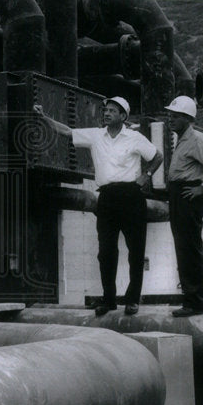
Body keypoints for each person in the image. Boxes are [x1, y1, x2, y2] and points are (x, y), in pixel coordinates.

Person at [34, 96, 162, 316]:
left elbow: (157, 156)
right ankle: (109, 300)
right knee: (106, 252)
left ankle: (132, 300)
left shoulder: (134, 137)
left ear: (123, 116)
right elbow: (66, 131)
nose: (107, 113)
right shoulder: (95, 135)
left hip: (131, 195)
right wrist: (43, 118)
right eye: (106, 110)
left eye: (112, 111)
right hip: (107, 197)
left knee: (136, 251)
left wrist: (146, 176)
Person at [164, 95, 203, 317]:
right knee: (191, 249)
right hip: (180, 195)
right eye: (169, 115)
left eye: (175, 116)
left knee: (187, 249)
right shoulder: (182, 139)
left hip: (188, 195)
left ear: (187, 118)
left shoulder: (196, 139)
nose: (170, 119)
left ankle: (193, 303)